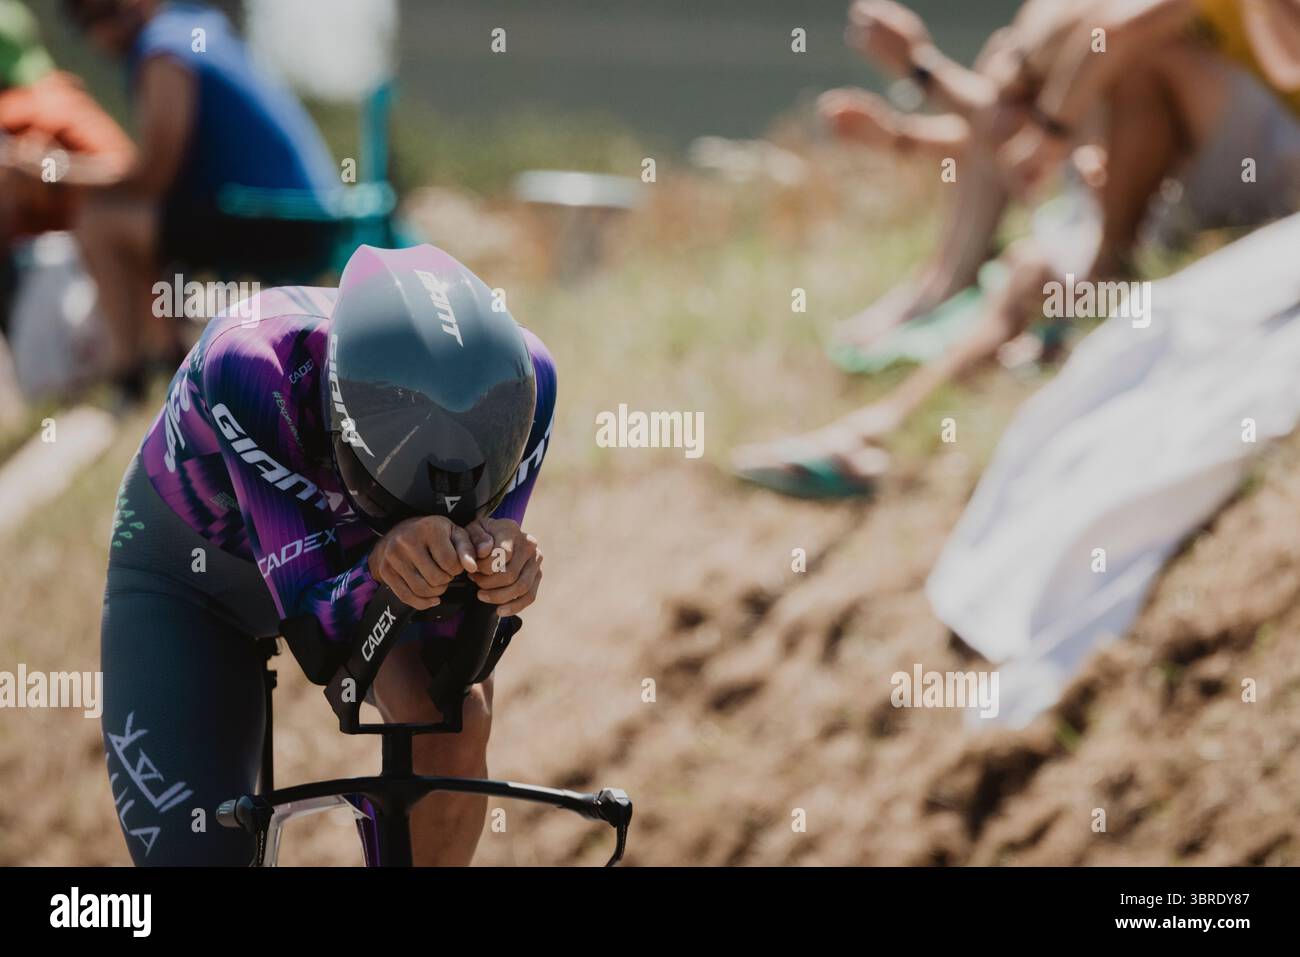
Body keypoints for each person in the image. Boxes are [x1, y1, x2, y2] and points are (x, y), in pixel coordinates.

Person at [100, 243, 557, 866]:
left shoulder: (525, 385)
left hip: (348, 558)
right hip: (191, 584)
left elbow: (456, 658)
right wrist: (379, 565)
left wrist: (495, 576)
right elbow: (320, 642)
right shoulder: (253, 365)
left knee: (451, 726)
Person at [732, 0, 1300, 498]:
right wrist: (906, 128)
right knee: (1030, 270)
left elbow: (1050, 114)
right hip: (1187, 184)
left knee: (1136, 56)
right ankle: (873, 432)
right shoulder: (1097, 54)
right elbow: (1018, 128)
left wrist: (923, 70)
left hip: (1269, 176)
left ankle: (1098, 279)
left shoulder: (1133, 37)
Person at [62, 0, 342, 400]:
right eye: (86, 21)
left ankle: (128, 380)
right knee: (133, 221)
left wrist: (55, 173)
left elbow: (155, 175)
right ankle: (172, 358)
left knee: (99, 222)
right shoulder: (194, 26)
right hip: (304, 214)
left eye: (106, 13)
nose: (100, 33)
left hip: (281, 222)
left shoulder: (164, 51)